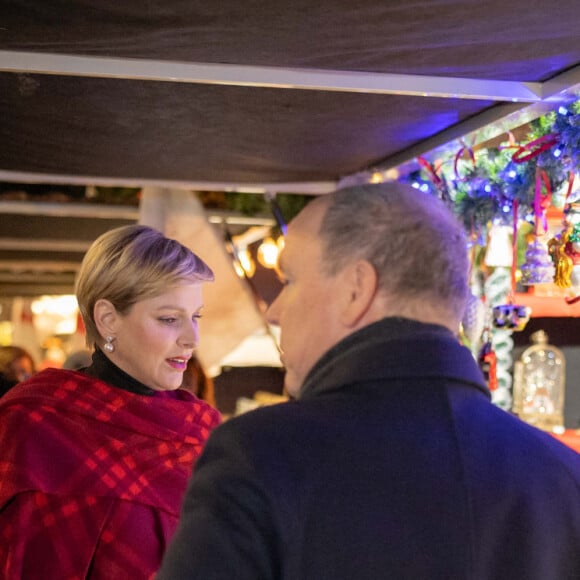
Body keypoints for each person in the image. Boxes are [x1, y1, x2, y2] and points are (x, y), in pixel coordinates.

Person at [159, 183, 580, 580]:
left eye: (290, 281)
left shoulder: (261, 455)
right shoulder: (564, 478)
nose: (275, 310)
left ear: (355, 290)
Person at [0, 224, 221, 579]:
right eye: (169, 319)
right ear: (107, 319)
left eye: (196, 317)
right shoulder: (32, 422)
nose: (191, 338)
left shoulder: (203, 432)